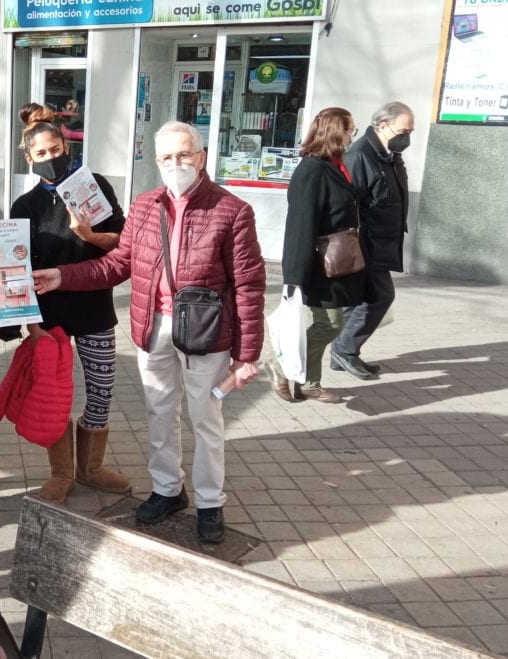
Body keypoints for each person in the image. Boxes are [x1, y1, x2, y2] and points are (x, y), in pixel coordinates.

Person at [33, 122, 265, 543]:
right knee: (159, 414)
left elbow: (248, 285)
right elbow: (117, 264)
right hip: (153, 327)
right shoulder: (145, 207)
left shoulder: (232, 211)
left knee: (205, 418)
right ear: (156, 162)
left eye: (184, 155)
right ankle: (167, 490)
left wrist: (247, 355)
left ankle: (210, 502)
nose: (176, 164)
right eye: (167, 158)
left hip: (206, 333)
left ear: (202, 157)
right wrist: (60, 277)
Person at [9, 102, 131, 504]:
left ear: (67, 145)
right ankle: (62, 473)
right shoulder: (24, 207)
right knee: (55, 395)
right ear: (29, 159)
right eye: (40, 154)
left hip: (94, 307)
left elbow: (120, 242)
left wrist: (89, 234)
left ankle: (91, 468)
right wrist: (29, 321)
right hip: (51, 315)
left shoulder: (92, 187)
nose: (50, 158)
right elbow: (19, 266)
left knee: (100, 392)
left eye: (55, 149)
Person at [272, 107, 366, 404]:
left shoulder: (333, 165)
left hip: (334, 262)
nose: (353, 135)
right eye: (351, 129)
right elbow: (300, 225)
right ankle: (280, 364)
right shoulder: (312, 170)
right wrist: (294, 277)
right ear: (338, 131)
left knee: (328, 323)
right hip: (315, 264)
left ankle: (309, 383)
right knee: (330, 324)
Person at [329, 102, 414, 380]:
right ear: (383, 125)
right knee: (381, 297)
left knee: (359, 301)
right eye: (403, 130)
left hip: (382, 241)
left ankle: (342, 355)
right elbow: (348, 203)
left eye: (411, 131)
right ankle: (344, 349)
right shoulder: (361, 155)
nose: (407, 137)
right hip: (365, 244)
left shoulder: (388, 154)